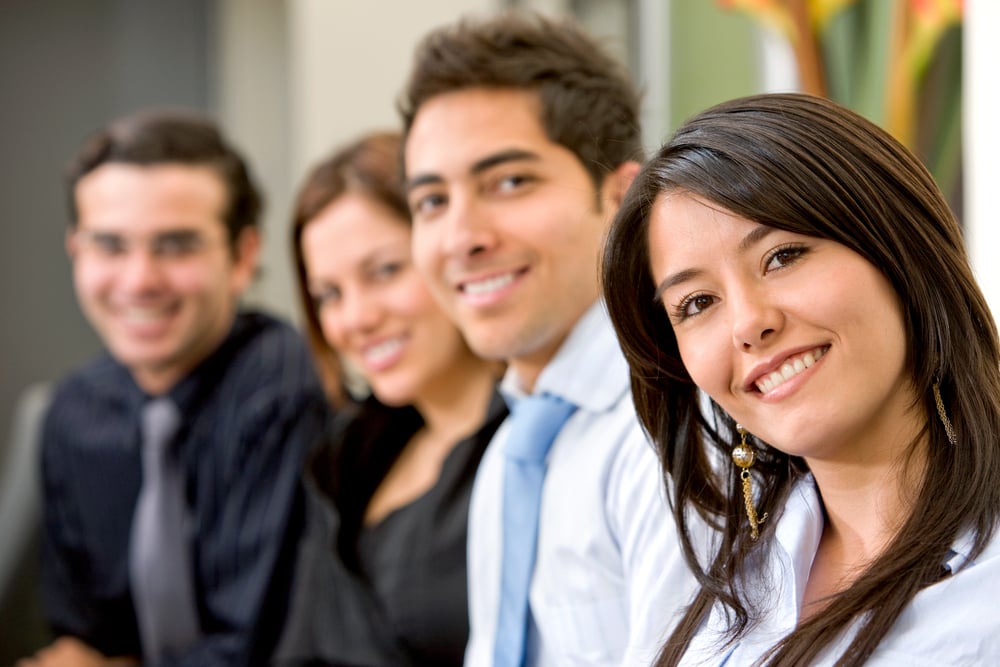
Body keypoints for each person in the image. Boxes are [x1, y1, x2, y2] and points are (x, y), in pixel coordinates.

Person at [601, 92, 1000, 666]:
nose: (749, 323)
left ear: (900, 251)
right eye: (697, 302)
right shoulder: (727, 582)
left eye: (783, 256)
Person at [400, 12, 696, 666]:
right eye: (431, 201)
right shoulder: (512, 451)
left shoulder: (679, 426)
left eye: (509, 182)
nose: (461, 237)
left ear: (622, 196)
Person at [29, 111, 330, 667]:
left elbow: (254, 651)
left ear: (242, 258)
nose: (139, 279)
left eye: (175, 245)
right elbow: (84, 639)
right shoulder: (73, 413)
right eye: (110, 245)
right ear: (77, 251)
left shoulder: (285, 390)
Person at [273, 131, 506, 667]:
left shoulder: (531, 442)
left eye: (384, 272)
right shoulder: (349, 452)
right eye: (328, 295)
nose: (355, 319)